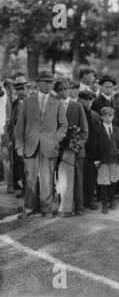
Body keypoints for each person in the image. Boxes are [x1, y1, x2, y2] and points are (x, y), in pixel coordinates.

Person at [15, 71, 68, 219]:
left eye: (50, 82)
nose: (49, 85)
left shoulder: (57, 103)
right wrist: (19, 147)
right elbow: (19, 127)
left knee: (47, 179)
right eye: (45, 82)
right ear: (38, 83)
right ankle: (28, 208)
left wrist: (55, 140)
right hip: (30, 146)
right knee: (30, 179)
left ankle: (47, 209)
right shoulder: (27, 102)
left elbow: (63, 125)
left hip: (48, 147)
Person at [54, 80, 89, 218]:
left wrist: (77, 144)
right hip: (60, 148)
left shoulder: (77, 106)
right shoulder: (54, 105)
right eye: (60, 90)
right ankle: (63, 205)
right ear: (57, 92)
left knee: (78, 178)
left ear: (69, 90)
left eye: (66, 89)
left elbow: (85, 131)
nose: (63, 92)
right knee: (61, 179)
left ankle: (79, 207)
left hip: (75, 149)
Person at [93, 106, 119, 214]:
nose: (108, 118)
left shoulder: (116, 130)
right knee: (104, 183)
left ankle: (112, 201)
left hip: (114, 159)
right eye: (105, 116)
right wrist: (96, 159)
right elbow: (95, 146)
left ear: (113, 116)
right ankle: (104, 204)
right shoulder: (97, 130)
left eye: (110, 115)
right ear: (101, 117)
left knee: (113, 181)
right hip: (103, 160)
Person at [79, 90, 101, 210]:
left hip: (92, 151)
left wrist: (98, 152)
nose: (88, 102)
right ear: (80, 100)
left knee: (91, 177)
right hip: (81, 149)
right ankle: (79, 201)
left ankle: (89, 200)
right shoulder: (77, 112)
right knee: (80, 176)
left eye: (90, 100)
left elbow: (98, 134)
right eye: (85, 99)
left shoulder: (95, 115)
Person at [10, 76, 28, 198]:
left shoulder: (32, 103)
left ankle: (30, 191)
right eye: (18, 89)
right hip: (17, 141)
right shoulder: (15, 103)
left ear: (27, 88)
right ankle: (24, 188)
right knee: (20, 166)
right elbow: (13, 123)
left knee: (28, 167)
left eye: (22, 88)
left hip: (28, 141)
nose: (20, 91)